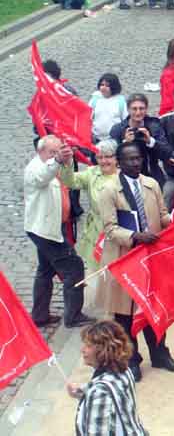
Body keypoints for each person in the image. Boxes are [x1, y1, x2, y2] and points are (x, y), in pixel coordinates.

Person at [97, 142, 174, 381]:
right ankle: (132, 360)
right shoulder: (108, 190)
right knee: (125, 315)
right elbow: (110, 228)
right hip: (125, 260)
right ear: (119, 162)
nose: (135, 163)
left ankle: (160, 354)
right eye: (129, 160)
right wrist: (135, 237)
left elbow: (163, 214)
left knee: (153, 309)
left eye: (138, 158)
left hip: (151, 259)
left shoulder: (151, 184)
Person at [24, 135, 94, 328]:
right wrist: (57, 160)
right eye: (52, 152)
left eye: (58, 151)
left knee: (45, 270)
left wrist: (68, 159)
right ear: (41, 152)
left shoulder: (51, 164)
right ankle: (73, 316)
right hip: (46, 231)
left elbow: (68, 179)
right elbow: (42, 178)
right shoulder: (35, 168)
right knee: (75, 267)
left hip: (52, 227)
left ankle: (39, 315)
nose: (56, 156)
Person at [69, 320, 148, 435]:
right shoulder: (124, 370)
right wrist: (79, 392)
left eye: (88, 346)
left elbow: (97, 432)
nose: (83, 350)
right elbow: (110, 390)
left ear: (103, 350)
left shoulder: (100, 391)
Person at [63, 139, 119, 274]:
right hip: (95, 230)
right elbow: (69, 182)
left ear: (116, 158)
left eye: (108, 157)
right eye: (100, 157)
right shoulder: (92, 173)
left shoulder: (123, 175)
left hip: (117, 230)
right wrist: (68, 162)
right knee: (95, 269)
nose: (104, 161)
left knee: (113, 269)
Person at [109, 93, 172, 187]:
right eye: (134, 109)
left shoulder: (154, 126)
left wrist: (151, 141)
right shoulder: (117, 129)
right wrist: (125, 144)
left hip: (152, 176)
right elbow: (110, 158)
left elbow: (167, 153)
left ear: (146, 109)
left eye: (141, 108)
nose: (138, 112)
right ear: (128, 110)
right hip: (126, 179)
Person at [89, 73, 127, 143]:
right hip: (96, 138)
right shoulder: (95, 100)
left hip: (114, 139)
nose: (103, 87)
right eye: (102, 85)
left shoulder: (120, 101)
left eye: (107, 86)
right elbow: (88, 118)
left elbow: (125, 121)